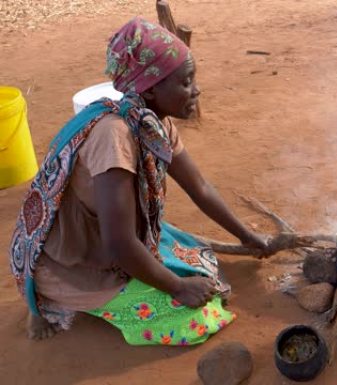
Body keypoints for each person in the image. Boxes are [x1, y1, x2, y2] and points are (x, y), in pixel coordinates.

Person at [8, 17, 269, 344]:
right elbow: (119, 243)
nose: (196, 89)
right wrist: (178, 288)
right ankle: (49, 299)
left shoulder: (153, 123)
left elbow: (200, 188)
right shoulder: (114, 137)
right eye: (186, 82)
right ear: (151, 88)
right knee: (200, 318)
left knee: (202, 265)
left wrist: (247, 236)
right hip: (74, 261)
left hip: (110, 241)